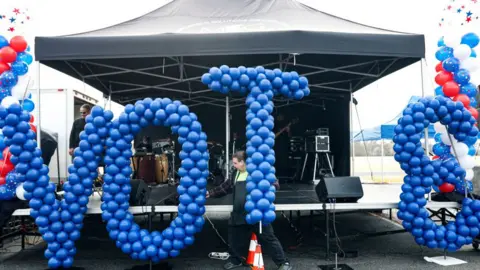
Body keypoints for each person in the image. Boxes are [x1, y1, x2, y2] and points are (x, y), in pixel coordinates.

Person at [207, 151, 292, 270]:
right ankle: (236, 260)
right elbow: (225, 187)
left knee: (268, 238)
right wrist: (210, 193)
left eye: (236, 163)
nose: (234, 165)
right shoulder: (235, 173)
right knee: (235, 238)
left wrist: (266, 188)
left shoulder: (257, 171)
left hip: (256, 213)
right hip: (239, 212)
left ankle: (283, 263)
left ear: (243, 162)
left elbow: (275, 184)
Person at [274, 113, 291, 178]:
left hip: (284, 147)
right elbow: (274, 136)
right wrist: (283, 129)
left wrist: (288, 131)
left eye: (282, 116)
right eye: (280, 116)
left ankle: (285, 176)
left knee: (284, 161)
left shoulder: (284, 125)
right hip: (276, 147)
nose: (281, 118)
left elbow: (289, 136)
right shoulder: (274, 126)